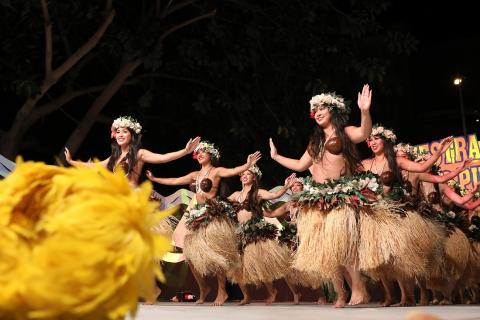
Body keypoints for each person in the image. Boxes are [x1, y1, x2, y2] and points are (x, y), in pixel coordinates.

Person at [269, 84, 373, 307]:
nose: (316, 113)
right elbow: (299, 164)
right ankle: (340, 293)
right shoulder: (315, 142)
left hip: (338, 195)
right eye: (314, 110)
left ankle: (357, 288)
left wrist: (364, 111)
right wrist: (276, 157)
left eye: (321, 108)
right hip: (317, 198)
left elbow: (364, 133)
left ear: (333, 111)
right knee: (327, 249)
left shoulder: (344, 134)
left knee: (345, 245)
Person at [146, 141, 261, 306]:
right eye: (197, 152)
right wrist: (155, 178)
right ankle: (203, 288)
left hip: (212, 215)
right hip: (195, 216)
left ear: (211, 155)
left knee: (217, 253)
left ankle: (222, 291)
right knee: (190, 254)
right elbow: (175, 180)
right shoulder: (195, 175)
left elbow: (233, 171)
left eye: (203, 152)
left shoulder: (217, 171)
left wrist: (248, 164)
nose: (199, 154)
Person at [64, 116, 200, 187]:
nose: (120, 135)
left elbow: (163, 158)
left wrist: (185, 151)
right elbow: (94, 166)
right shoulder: (115, 156)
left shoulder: (139, 153)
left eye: (124, 132)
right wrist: (71, 161)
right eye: (118, 132)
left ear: (132, 136)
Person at [227, 166, 296, 305]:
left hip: (255, 231)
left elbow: (274, 195)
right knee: (237, 265)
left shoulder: (258, 192)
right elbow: (223, 202)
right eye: (243, 174)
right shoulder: (236, 195)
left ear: (254, 177)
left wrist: (286, 186)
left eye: (249, 174)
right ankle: (246, 296)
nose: (245, 176)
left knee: (260, 263)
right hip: (240, 232)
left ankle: (272, 292)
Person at [264, 177, 328, 305]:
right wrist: (255, 206)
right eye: (292, 186)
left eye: (297, 185)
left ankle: (321, 295)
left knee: (311, 269)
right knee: (287, 267)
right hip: (293, 237)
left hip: (307, 237)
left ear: (303, 187)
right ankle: (295, 293)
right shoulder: (289, 204)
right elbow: (272, 214)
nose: (294, 188)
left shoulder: (309, 201)